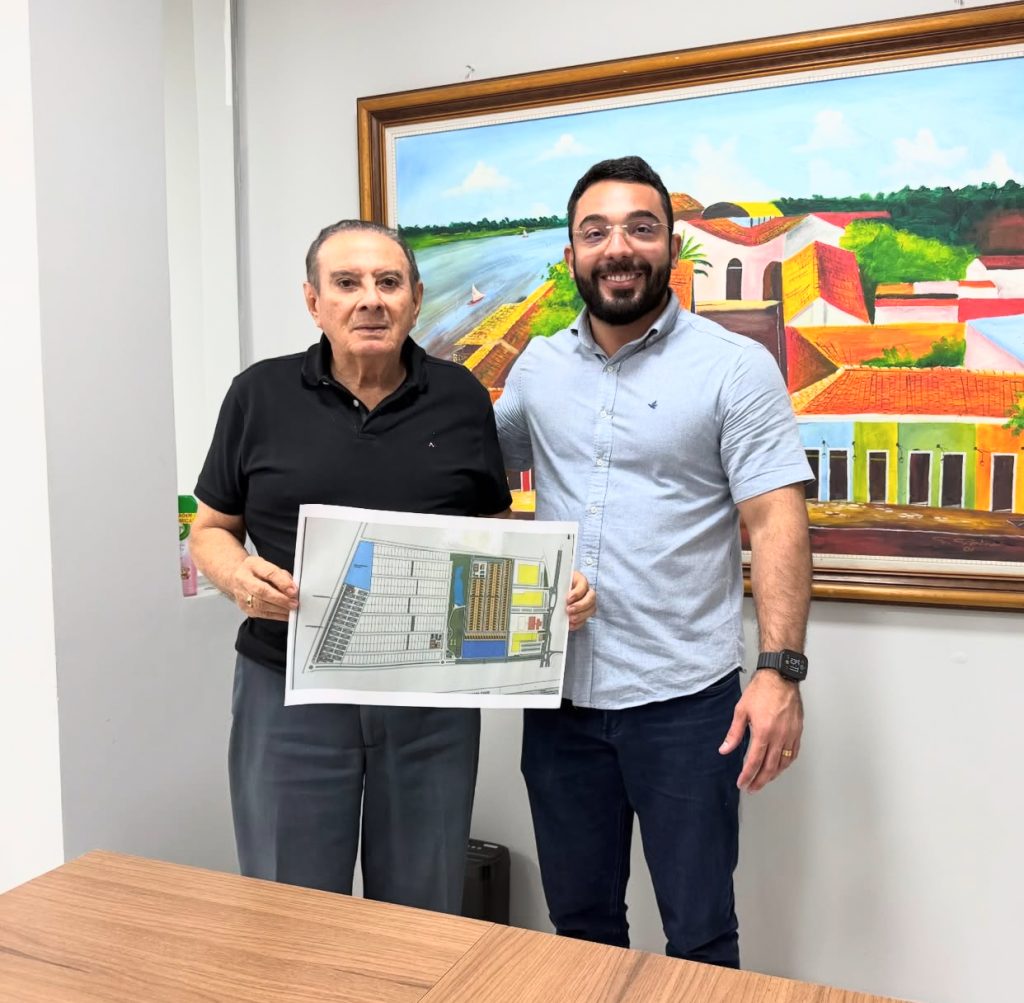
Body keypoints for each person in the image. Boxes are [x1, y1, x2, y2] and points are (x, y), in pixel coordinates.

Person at [190, 219, 595, 914]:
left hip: (429, 695)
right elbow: (210, 530)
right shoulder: (258, 394)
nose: (369, 299)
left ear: (415, 298)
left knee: (421, 909)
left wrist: (548, 580)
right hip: (287, 690)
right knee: (289, 908)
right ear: (314, 301)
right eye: (347, 283)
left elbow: (491, 527)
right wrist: (235, 577)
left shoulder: (461, 397)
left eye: (388, 282)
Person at [494, 158, 812, 967]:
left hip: (686, 706)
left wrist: (779, 671)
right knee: (580, 929)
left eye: (641, 228)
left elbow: (776, 518)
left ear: (670, 245)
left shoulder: (734, 366)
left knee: (700, 934)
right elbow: (467, 483)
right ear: (571, 253)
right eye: (596, 231)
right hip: (559, 701)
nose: (618, 247)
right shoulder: (536, 369)